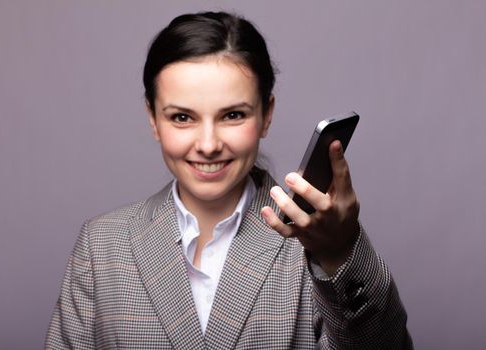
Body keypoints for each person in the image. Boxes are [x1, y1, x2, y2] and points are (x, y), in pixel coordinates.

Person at [46, 11, 413, 349]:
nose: (208, 145)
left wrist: (340, 254)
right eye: (182, 118)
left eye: (233, 115)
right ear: (152, 118)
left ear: (266, 115)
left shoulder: (315, 241)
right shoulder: (101, 246)